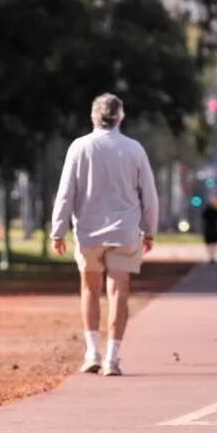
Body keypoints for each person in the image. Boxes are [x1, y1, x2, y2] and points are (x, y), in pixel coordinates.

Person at [50, 93, 159, 377]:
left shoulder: (80, 147)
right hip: (124, 232)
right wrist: (150, 230)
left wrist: (58, 231)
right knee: (118, 292)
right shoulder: (134, 149)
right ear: (120, 117)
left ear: (93, 117)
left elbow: (66, 193)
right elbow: (149, 194)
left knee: (90, 289)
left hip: (88, 232)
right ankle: (113, 357)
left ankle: (91, 352)